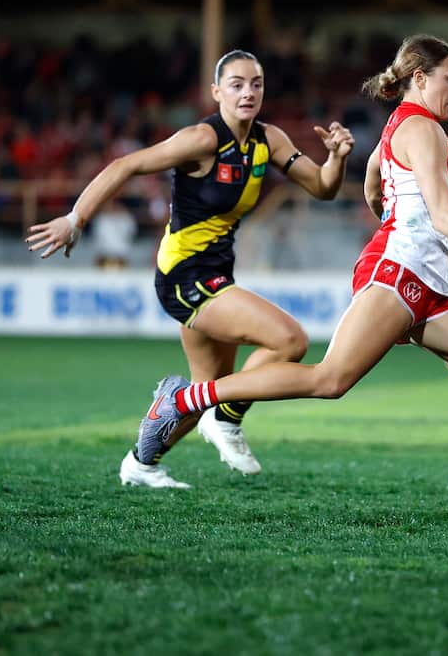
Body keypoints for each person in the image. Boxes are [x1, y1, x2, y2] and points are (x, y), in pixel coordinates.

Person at [129, 34, 448, 537]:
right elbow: (446, 217)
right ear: (421, 78)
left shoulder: (401, 125)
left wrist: (385, 208)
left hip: (424, 284)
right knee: (329, 379)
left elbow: (374, 178)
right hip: (397, 273)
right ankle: (188, 397)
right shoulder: (423, 129)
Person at [26, 50, 354, 487]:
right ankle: (227, 421)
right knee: (289, 339)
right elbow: (126, 165)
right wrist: (75, 220)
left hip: (217, 274)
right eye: (236, 84)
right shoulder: (201, 139)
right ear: (216, 92)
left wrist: (337, 158)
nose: (248, 92)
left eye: (256, 83)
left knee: (206, 387)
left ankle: (141, 463)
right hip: (185, 276)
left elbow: (323, 188)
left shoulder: (269, 140)